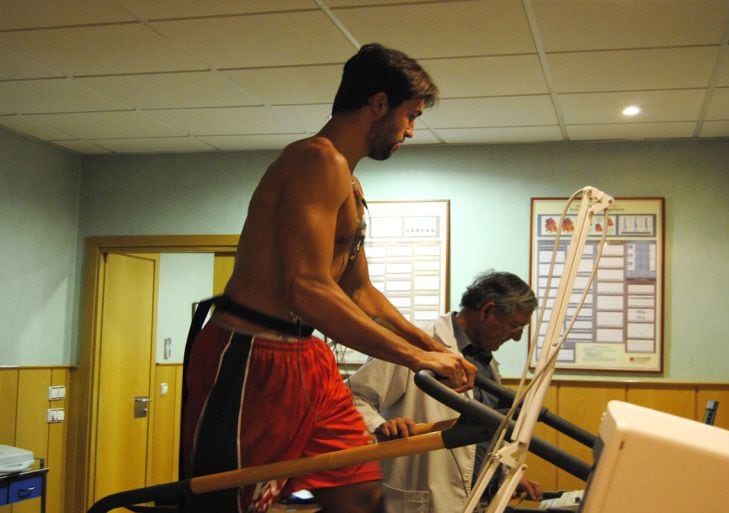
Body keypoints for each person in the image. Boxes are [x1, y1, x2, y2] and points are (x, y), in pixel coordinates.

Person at [180, 43, 476, 513]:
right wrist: (416, 356)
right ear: (379, 104)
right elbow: (308, 288)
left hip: (307, 357)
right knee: (236, 500)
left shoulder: (350, 183)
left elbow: (360, 292)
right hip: (253, 355)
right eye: (410, 116)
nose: (411, 131)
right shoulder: (316, 160)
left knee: (360, 494)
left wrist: (432, 348)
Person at [348, 271, 544, 513]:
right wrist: (380, 424)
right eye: (515, 326)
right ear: (487, 311)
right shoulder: (413, 346)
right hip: (425, 498)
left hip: (479, 501)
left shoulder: (485, 362)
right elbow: (352, 397)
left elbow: (483, 434)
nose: (517, 337)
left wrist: (501, 477)